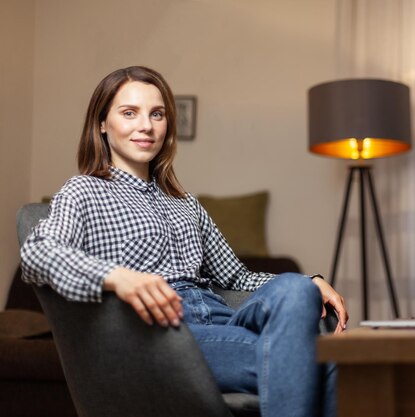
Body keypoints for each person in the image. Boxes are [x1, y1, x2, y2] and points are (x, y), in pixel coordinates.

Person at [21, 66, 348, 417]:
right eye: (129, 113)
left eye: (156, 114)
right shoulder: (84, 190)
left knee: (297, 289)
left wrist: (311, 282)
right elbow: (37, 254)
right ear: (102, 124)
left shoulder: (185, 203)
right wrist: (119, 276)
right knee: (323, 362)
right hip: (166, 335)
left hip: (223, 322)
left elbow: (236, 278)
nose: (146, 126)